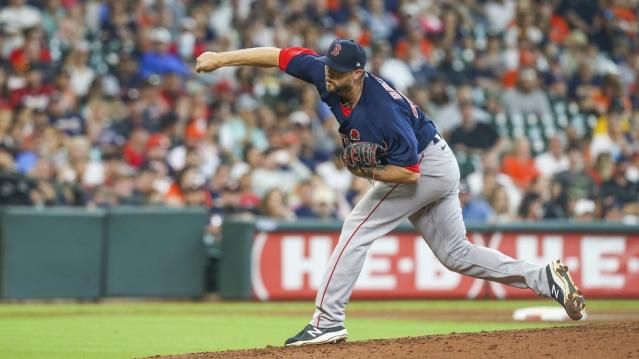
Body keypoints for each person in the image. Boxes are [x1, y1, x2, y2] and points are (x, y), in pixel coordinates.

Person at [195, 39, 586, 347]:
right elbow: (278, 55)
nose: (331, 76)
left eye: (341, 71)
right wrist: (221, 58)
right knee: (456, 254)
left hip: (425, 168)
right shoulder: (324, 73)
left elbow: (409, 173)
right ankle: (543, 277)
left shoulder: (381, 110)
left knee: (356, 227)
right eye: (329, 68)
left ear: (359, 73)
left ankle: (326, 322)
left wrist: (365, 168)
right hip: (436, 159)